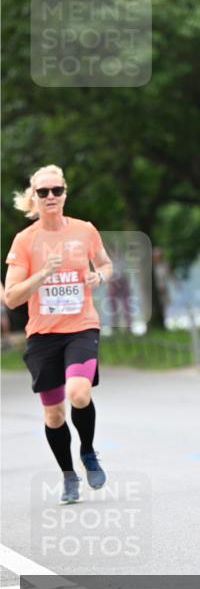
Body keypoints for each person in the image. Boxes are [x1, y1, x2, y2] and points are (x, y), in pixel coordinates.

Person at [4, 165, 113, 504]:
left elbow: (106, 264)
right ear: (33, 198)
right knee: (53, 414)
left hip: (81, 326)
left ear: (65, 193)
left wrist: (101, 277)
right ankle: (68, 475)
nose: (50, 197)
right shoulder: (25, 241)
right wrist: (44, 273)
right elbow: (11, 297)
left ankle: (89, 451)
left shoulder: (85, 231)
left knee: (79, 393)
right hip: (42, 334)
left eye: (56, 191)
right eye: (43, 192)